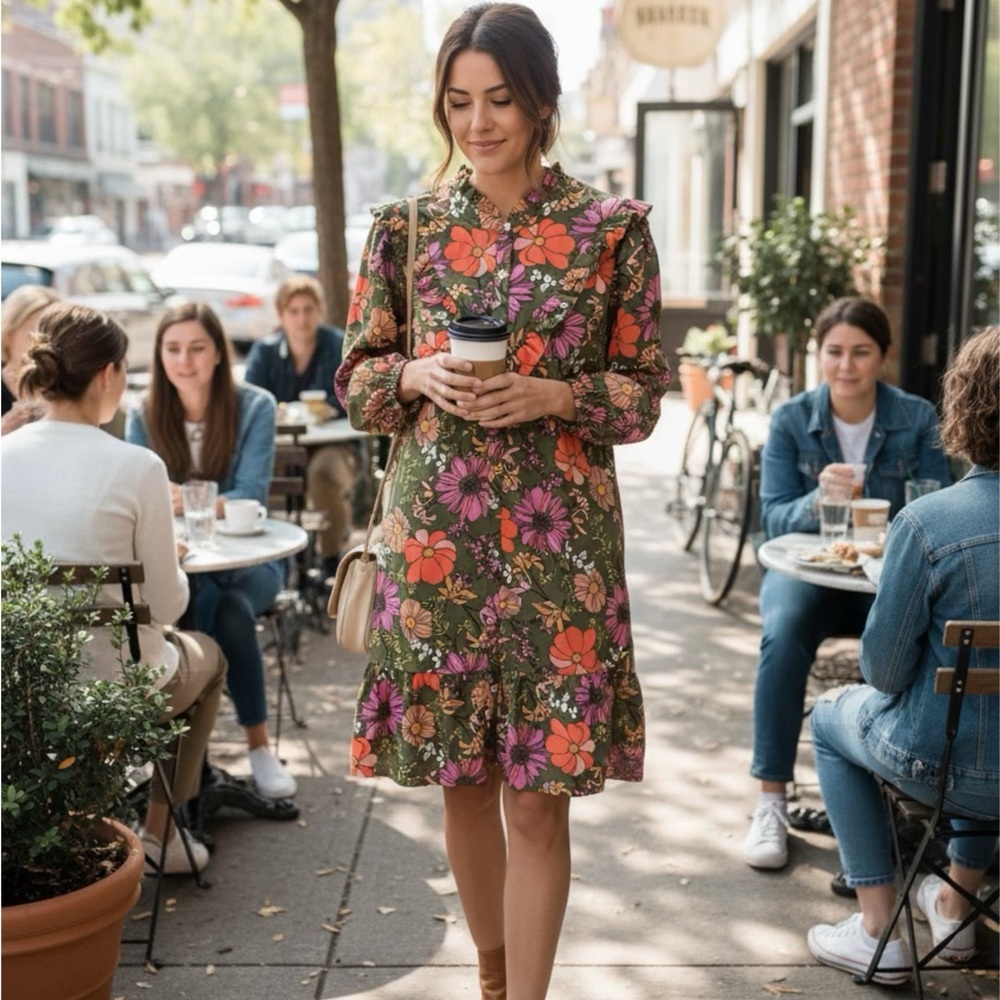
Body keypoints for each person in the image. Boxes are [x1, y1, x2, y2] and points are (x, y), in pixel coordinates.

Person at [334, 5, 670, 998]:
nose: (477, 123)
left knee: (537, 803)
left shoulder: (609, 234)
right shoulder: (404, 230)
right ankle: (491, 978)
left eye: (500, 101)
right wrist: (415, 377)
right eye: (458, 101)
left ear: (541, 104)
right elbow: (353, 378)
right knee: (464, 783)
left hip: (556, 555)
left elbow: (645, 392)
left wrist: (556, 393)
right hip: (434, 543)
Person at [1, 302, 227, 873]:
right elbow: (171, 607)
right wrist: (165, 562)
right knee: (210, 659)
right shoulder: (138, 466)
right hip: (122, 689)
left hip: (23, 691)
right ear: (108, 374)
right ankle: (160, 838)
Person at [806, 325, 999, 983]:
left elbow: (881, 672)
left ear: (964, 407)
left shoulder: (926, 523)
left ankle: (876, 931)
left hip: (933, 766)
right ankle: (956, 908)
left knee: (830, 718)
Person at [744, 296, 951, 870]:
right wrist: (819, 499)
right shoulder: (792, 419)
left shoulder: (916, 419)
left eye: (861, 352)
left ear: (883, 356)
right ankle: (771, 802)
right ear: (819, 356)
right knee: (781, 637)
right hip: (811, 575)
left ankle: (902, 799)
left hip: (889, 581)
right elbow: (775, 518)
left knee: (920, 646)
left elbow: (936, 503)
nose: (846, 366)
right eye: (834, 352)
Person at [125, 301, 297, 801]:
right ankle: (224, 755)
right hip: (183, 562)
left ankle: (204, 758)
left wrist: (187, 497)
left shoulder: (255, 406)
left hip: (253, 564)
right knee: (220, 607)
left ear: (219, 353)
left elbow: (251, 497)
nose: (185, 360)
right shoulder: (143, 411)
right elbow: (144, 501)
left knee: (225, 601)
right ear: (158, 356)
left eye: (197, 348)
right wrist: (191, 501)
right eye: (173, 349)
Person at [244, 274, 361, 578]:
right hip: (283, 444)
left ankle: (330, 559)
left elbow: (356, 396)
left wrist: (329, 409)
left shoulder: (338, 345)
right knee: (264, 478)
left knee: (322, 475)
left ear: (319, 310)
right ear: (280, 315)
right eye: (293, 311)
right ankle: (276, 559)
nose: (301, 319)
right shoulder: (265, 352)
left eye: (308, 309)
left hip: (335, 443)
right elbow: (251, 401)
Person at [1, 284, 61, 432]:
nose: (45, 342)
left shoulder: (66, 387)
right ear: (8, 333)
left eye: (54, 332)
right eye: (34, 332)